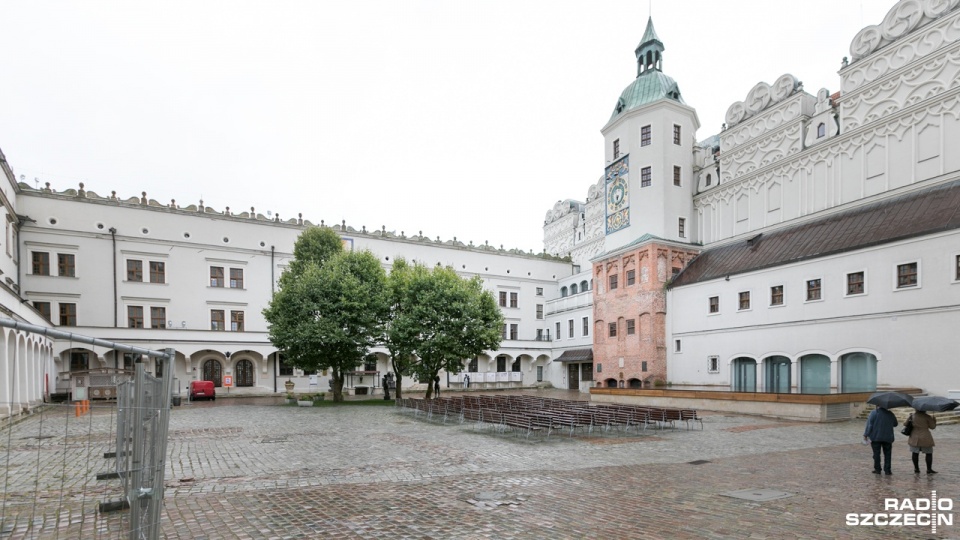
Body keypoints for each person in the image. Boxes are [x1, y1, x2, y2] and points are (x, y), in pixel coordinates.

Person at [863, 406, 898, 475]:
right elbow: (895, 424)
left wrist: (866, 434)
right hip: (888, 437)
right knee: (887, 454)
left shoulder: (874, 413)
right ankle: (887, 470)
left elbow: (870, 425)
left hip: (876, 437)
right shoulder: (890, 413)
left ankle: (877, 469)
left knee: (876, 454)